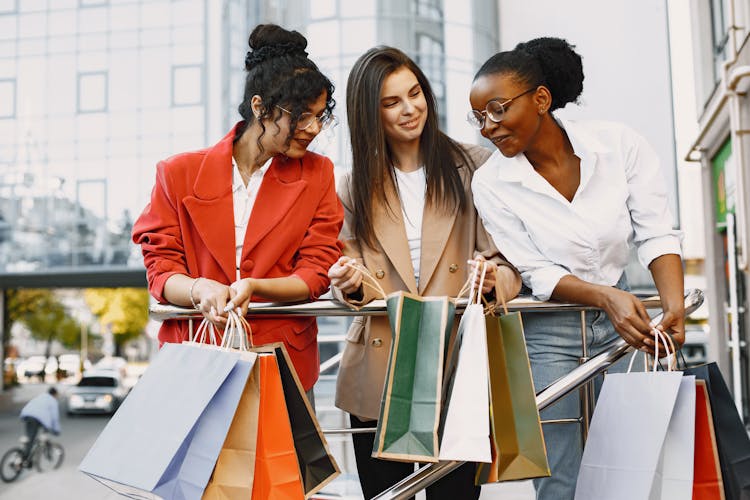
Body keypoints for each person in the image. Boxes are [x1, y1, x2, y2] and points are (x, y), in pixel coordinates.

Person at [468, 37, 684, 499]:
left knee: (629, 468)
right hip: (548, 331)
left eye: (498, 109)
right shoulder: (490, 182)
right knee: (560, 477)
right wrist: (606, 297)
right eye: (479, 117)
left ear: (541, 99)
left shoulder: (617, 144)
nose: (488, 127)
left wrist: (673, 306)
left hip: (626, 319)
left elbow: (656, 231)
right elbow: (536, 271)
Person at [327, 46, 521, 500]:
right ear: (369, 113)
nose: (410, 108)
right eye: (392, 102)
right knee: (386, 496)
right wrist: (347, 285)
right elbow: (344, 278)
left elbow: (510, 260)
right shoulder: (352, 186)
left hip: (457, 359)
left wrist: (494, 280)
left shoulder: (476, 166)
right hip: (379, 364)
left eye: (415, 93)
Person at [131, 24, 344, 396]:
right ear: (260, 106)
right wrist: (199, 289)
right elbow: (162, 271)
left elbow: (316, 271)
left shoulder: (319, 174)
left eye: (319, 116)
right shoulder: (177, 173)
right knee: (205, 458)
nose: (313, 129)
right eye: (301, 116)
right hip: (195, 363)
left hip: (284, 364)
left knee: (284, 457)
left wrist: (254, 287)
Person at [19, 387, 60, 463]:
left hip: (27, 415)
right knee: (34, 438)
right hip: (38, 419)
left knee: (30, 436)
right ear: (55, 394)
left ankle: (25, 454)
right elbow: (54, 417)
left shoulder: (41, 396)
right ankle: (25, 458)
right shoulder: (53, 400)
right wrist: (56, 430)